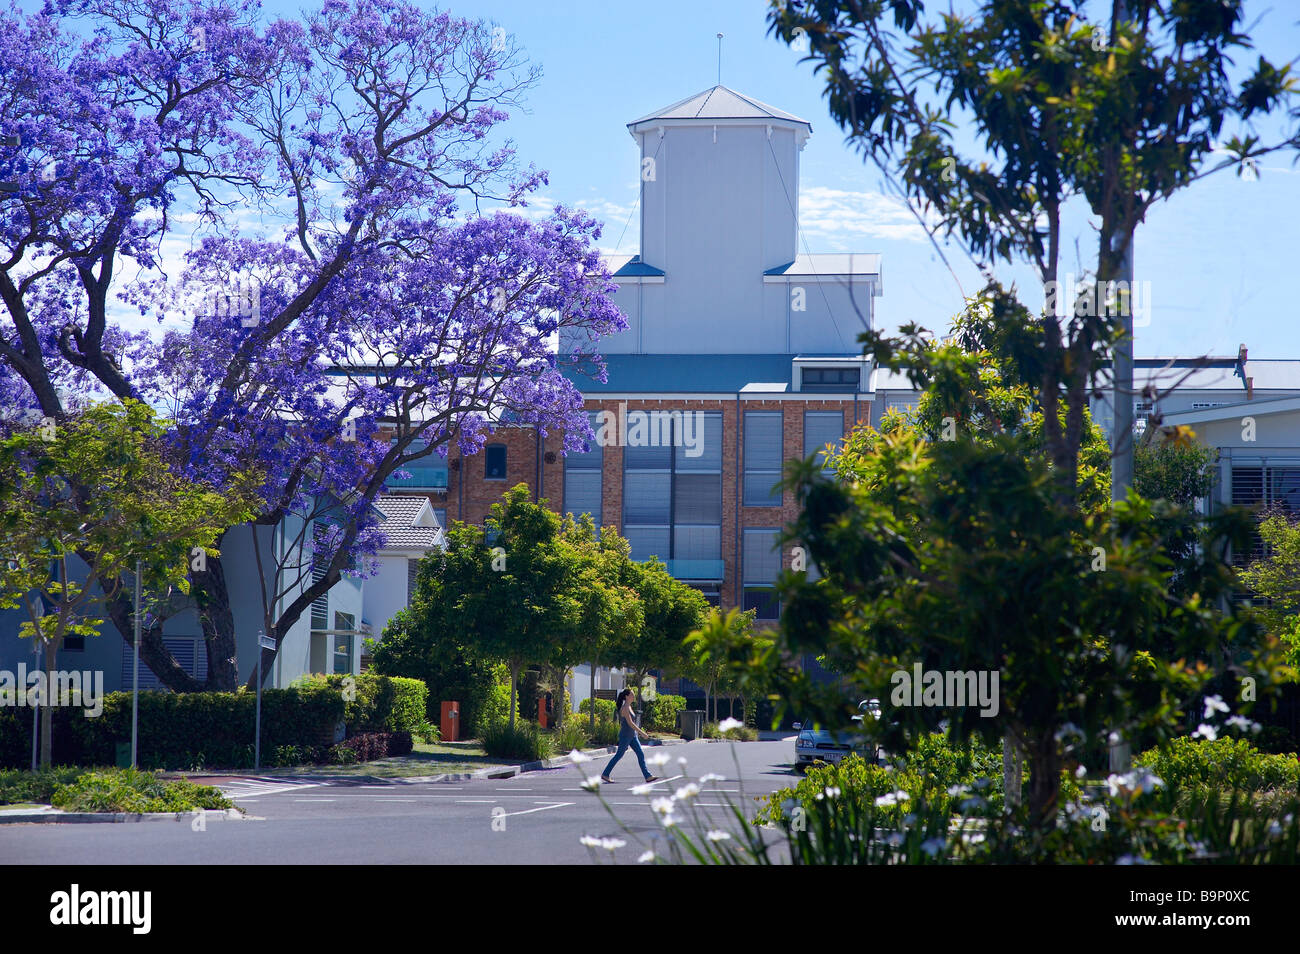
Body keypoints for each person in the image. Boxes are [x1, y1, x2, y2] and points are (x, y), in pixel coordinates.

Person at [601, 688, 660, 784]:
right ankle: (605, 774)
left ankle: (647, 776)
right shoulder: (624, 708)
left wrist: (637, 733)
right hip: (625, 736)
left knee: (640, 754)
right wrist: (642, 733)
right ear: (627, 696)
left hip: (632, 736)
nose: (634, 696)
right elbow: (630, 723)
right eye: (632, 695)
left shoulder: (629, 707)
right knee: (619, 755)